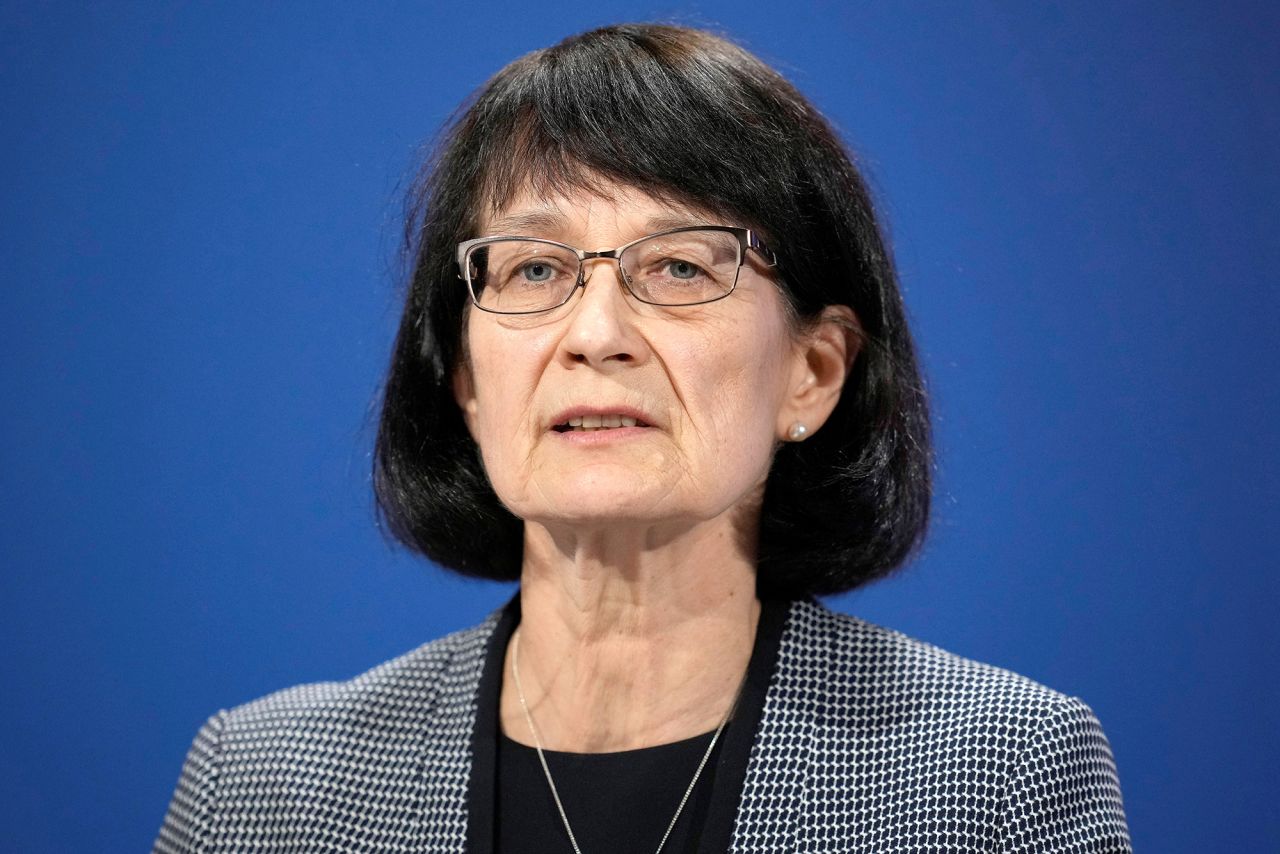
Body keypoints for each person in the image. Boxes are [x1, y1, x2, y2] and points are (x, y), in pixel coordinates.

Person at [154, 23, 1131, 854]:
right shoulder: (261, 786)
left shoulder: (993, 774)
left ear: (813, 372)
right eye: (534, 271)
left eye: (675, 266)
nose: (594, 334)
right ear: (463, 380)